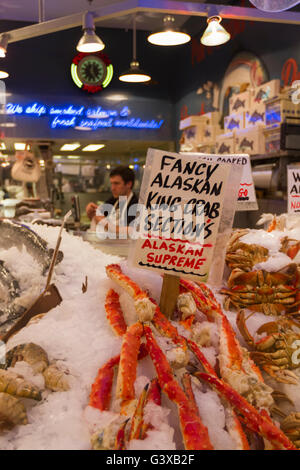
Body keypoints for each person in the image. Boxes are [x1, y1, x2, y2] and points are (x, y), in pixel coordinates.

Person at [86, 166, 139, 233]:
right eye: (111, 183)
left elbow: (132, 230)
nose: (112, 188)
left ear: (129, 184)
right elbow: (97, 219)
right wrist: (91, 212)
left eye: (116, 184)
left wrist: (104, 223)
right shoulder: (113, 200)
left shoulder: (136, 204)